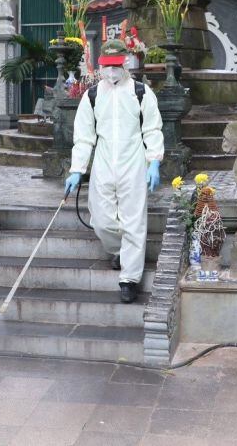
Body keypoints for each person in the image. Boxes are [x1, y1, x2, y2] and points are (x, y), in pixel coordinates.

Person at [65, 39, 163, 303]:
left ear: (125, 62)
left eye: (115, 66)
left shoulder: (141, 92)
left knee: (133, 221)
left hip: (133, 161)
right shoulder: (93, 95)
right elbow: (84, 135)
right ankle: (119, 250)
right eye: (106, 67)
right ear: (100, 66)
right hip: (104, 163)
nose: (111, 72)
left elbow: (152, 128)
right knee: (102, 219)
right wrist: (77, 169)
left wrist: (154, 161)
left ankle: (129, 279)